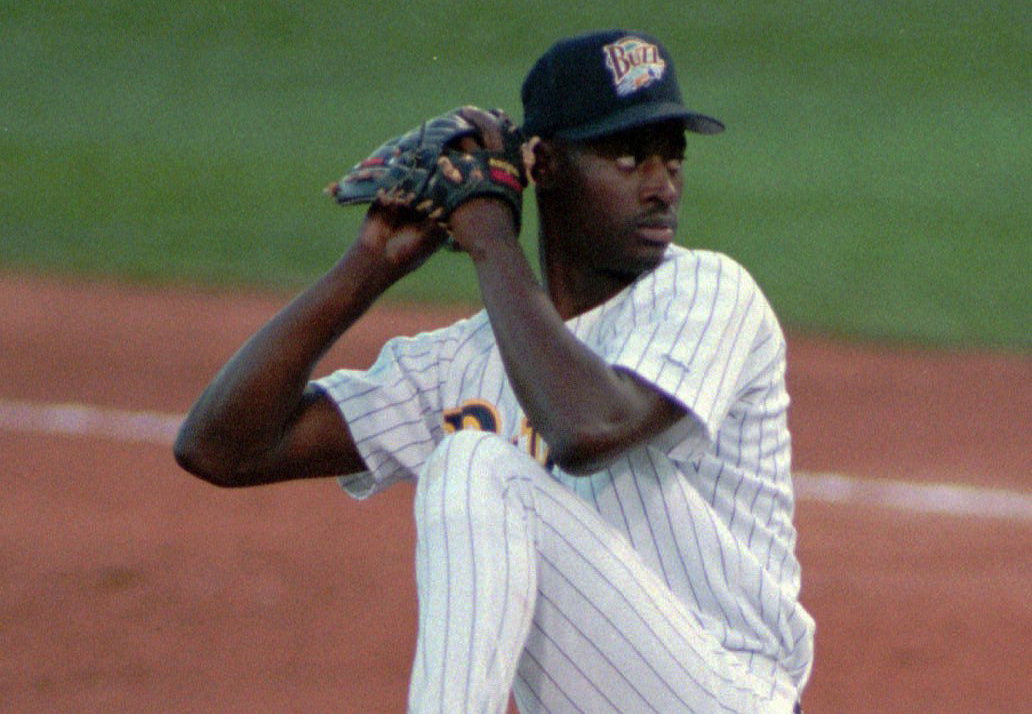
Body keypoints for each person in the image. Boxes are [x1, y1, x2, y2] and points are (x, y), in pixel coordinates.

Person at [175, 28, 814, 714]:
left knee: (474, 465)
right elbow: (219, 448)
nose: (661, 187)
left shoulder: (707, 293)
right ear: (542, 165)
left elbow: (587, 428)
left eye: (673, 159)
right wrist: (370, 265)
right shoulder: (466, 360)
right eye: (628, 157)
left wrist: (488, 237)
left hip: (729, 694)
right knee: (473, 460)